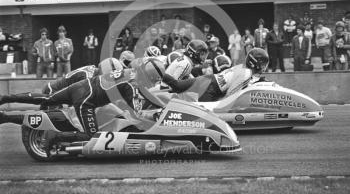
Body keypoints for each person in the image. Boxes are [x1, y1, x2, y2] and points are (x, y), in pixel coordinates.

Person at [0, 58, 166, 155]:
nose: (153, 83)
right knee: (92, 137)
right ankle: (56, 137)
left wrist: (158, 105)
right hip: (86, 100)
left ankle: (5, 103)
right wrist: (154, 115)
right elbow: (136, 112)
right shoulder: (132, 84)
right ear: (148, 76)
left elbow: (133, 97)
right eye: (154, 80)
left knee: (46, 99)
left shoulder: (130, 72)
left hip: (80, 87)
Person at [163, 48, 269, 102]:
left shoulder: (241, 67)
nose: (264, 67)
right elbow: (231, 94)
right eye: (263, 64)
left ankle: (160, 75)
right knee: (202, 117)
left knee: (176, 86)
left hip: (208, 80)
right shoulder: (247, 74)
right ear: (256, 63)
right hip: (211, 88)